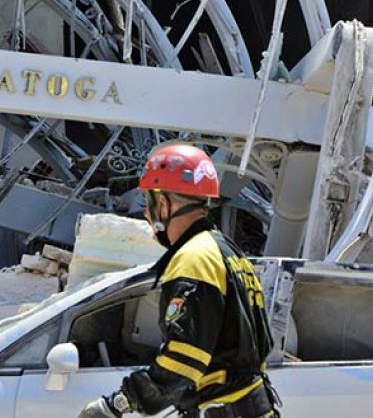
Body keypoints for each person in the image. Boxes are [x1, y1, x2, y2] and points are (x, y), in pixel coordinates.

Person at [79, 142, 280, 418]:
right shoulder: (227, 252)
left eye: (148, 202)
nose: (147, 214)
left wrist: (119, 403)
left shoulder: (192, 259)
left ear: (163, 204)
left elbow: (183, 360)